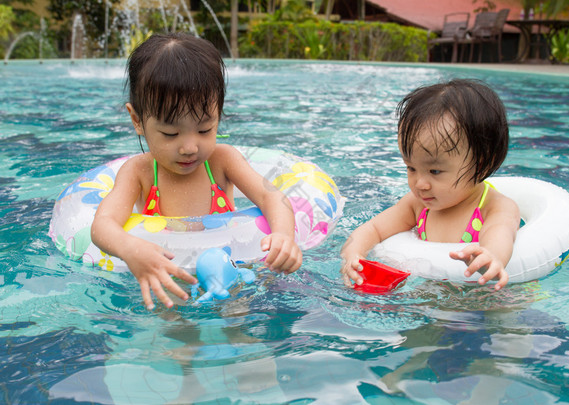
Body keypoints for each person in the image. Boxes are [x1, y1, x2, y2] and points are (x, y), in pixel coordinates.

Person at [92, 33, 302, 310]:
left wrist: (284, 236)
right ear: (137, 120)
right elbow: (102, 224)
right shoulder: (138, 173)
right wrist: (131, 249)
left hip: (232, 275)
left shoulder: (222, 161)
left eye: (204, 129)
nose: (190, 147)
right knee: (176, 336)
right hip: (169, 281)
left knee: (236, 321)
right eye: (170, 133)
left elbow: (272, 197)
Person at [341, 79, 520, 291]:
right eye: (411, 168)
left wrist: (492, 256)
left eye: (435, 171)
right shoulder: (416, 205)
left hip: (490, 298)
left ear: (480, 165)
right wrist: (353, 255)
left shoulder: (494, 207)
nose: (420, 184)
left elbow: (500, 234)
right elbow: (372, 229)